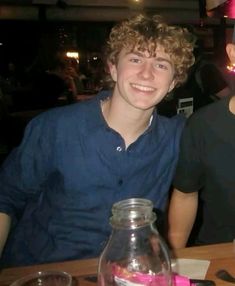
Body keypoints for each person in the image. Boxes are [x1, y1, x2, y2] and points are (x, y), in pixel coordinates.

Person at [0, 14, 194, 267]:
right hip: (45, 269)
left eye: (161, 65)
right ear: (113, 68)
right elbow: (6, 197)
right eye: (135, 59)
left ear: (173, 83)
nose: (146, 74)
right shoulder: (56, 127)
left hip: (129, 272)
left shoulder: (178, 136)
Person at [168, 42, 235, 249]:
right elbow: (185, 193)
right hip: (217, 253)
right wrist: (174, 260)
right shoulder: (203, 124)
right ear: (232, 53)